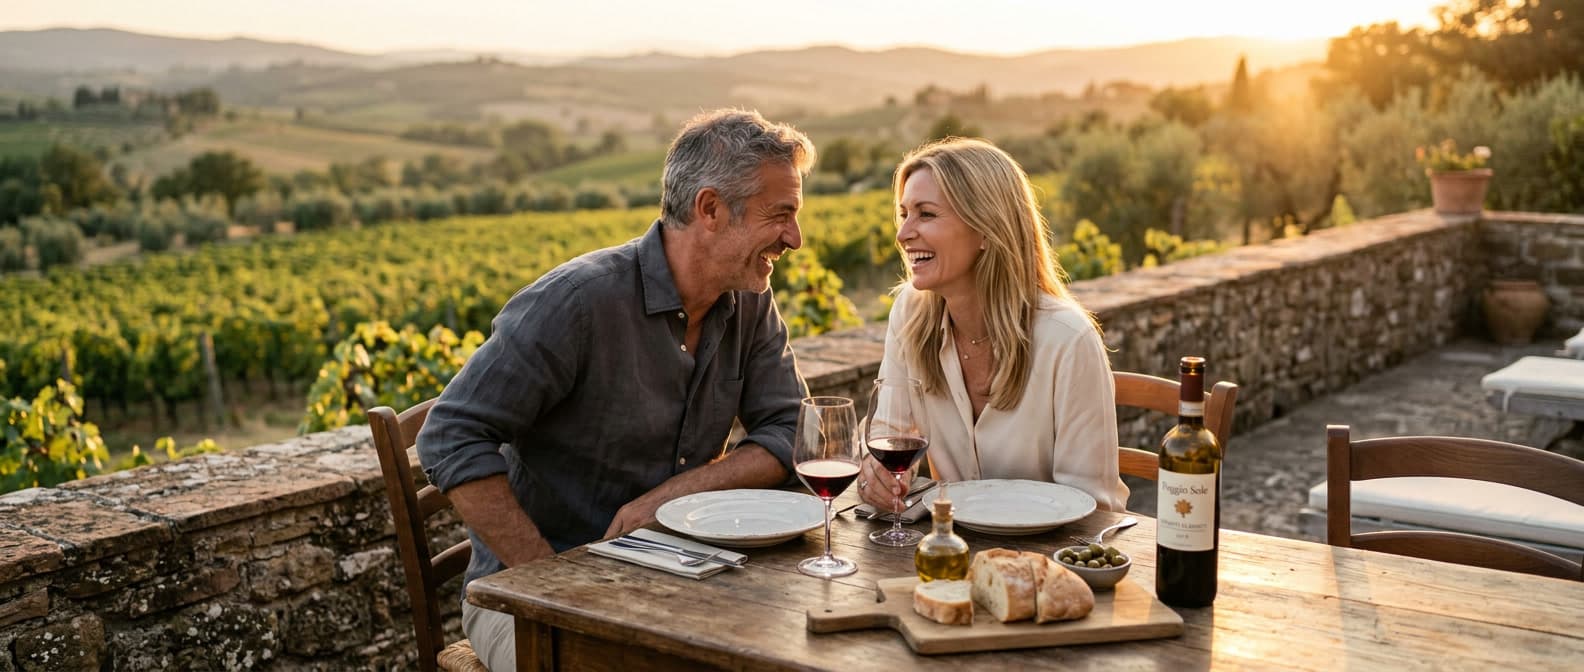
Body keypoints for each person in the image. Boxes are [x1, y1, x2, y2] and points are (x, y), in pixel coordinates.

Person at [416, 108, 816, 671]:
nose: (795, 238)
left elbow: (788, 432)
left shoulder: (749, 301)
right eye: (781, 215)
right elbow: (450, 436)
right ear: (710, 209)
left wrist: (671, 496)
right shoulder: (577, 302)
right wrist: (548, 581)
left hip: (676, 579)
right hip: (529, 604)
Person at [856, 137, 1128, 514]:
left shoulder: (1067, 340)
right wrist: (875, 476)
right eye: (904, 214)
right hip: (949, 552)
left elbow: (1093, 509)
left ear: (986, 228)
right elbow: (883, 435)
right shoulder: (910, 313)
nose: (903, 234)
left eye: (926, 214)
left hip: (1042, 561)